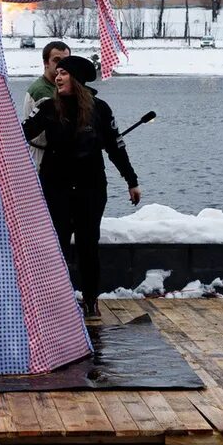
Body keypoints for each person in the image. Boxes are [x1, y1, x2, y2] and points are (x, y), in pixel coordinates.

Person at [22, 55, 141, 320]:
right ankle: (57, 301)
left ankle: (90, 301)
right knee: (57, 246)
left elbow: (116, 146)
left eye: (64, 73)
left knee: (88, 245)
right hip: (56, 187)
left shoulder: (100, 109)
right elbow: (21, 134)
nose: (58, 77)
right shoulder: (47, 107)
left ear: (76, 79)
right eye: (58, 73)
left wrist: (131, 181)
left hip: (91, 188)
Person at [20, 40, 70, 170]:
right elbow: (58, 127)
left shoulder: (59, 87)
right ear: (46, 63)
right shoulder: (42, 91)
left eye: (66, 60)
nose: (62, 65)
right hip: (43, 156)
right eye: (57, 60)